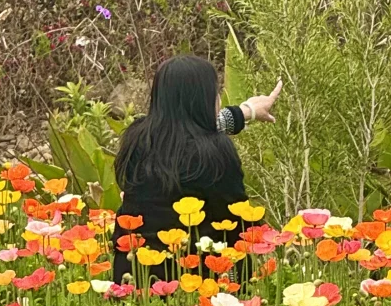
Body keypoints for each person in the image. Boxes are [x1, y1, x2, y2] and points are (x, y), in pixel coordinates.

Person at [111, 54, 281, 286]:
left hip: (133, 274)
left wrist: (246, 111)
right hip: (193, 279)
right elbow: (237, 217)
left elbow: (188, 126)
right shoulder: (214, 151)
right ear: (203, 100)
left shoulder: (137, 137)